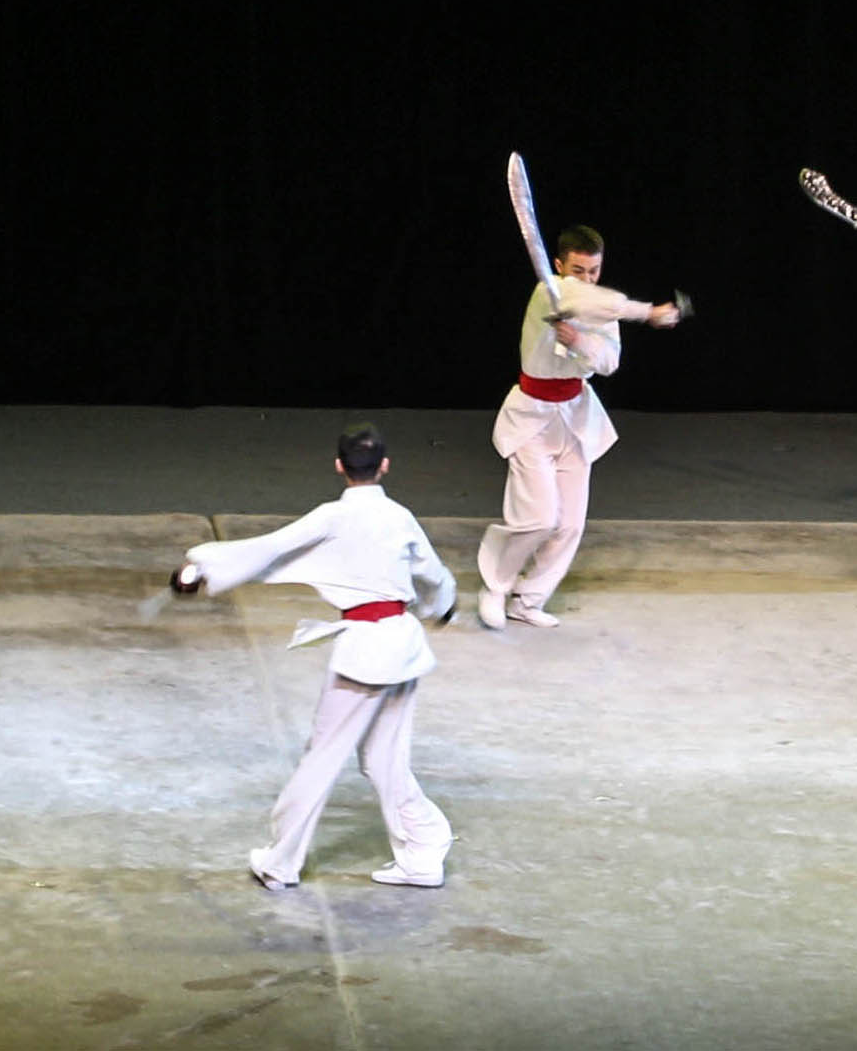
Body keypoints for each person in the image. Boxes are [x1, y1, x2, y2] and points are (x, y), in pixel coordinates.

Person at [171, 424, 459, 890]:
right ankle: (423, 851)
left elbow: (272, 547)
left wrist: (201, 567)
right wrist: (442, 608)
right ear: (385, 466)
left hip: (366, 652)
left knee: (323, 758)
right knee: (384, 758)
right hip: (404, 646)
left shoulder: (332, 517)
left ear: (339, 466)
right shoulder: (400, 517)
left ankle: (281, 862)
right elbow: (434, 575)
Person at [476, 225, 682, 631]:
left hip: (576, 418)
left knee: (570, 523)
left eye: (594, 271)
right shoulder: (548, 291)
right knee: (538, 518)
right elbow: (579, 299)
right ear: (558, 266)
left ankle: (529, 600)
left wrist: (579, 343)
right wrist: (648, 312)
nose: (587, 279)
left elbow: (608, 363)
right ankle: (495, 587)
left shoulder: (602, 308)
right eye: (578, 270)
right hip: (532, 418)